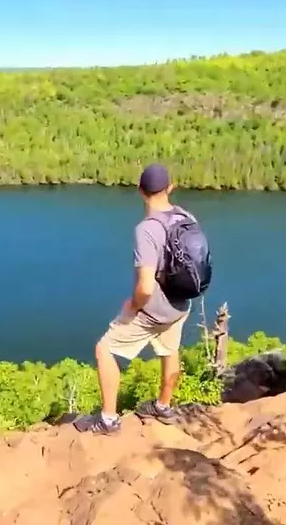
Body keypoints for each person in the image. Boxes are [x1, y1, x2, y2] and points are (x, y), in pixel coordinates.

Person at [75, 162, 211, 435]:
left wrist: (133, 305)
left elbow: (146, 287)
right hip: (181, 304)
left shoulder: (146, 229)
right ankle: (163, 406)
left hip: (154, 310)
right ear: (170, 188)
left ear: (140, 191)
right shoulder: (185, 217)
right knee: (169, 350)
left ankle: (109, 420)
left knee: (105, 349)